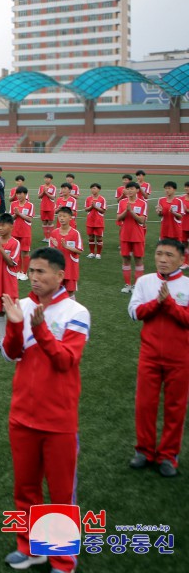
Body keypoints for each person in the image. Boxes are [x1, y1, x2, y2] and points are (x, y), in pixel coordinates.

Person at [0, 247, 89, 573]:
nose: (34, 278)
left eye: (41, 272)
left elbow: (66, 361)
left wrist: (38, 329)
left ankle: (63, 561)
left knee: (61, 494)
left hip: (59, 419)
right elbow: (11, 354)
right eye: (31, 272)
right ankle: (32, 548)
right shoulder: (22, 306)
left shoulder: (76, 312)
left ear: (60, 275)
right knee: (25, 488)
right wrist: (14, 326)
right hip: (22, 414)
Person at [128, 239, 189, 477]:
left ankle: (168, 455)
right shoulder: (145, 281)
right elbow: (134, 312)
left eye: (169, 255)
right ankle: (144, 451)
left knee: (175, 407)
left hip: (180, 357)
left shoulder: (186, 284)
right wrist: (157, 303)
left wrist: (170, 304)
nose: (163, 259)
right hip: (150, 355)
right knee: (145, 405)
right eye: (159, 254)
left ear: (182, 260)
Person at [0, 214, 20, 351]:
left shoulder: (15, 243)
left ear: (11, 227)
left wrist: (0, 247)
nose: (0, 228)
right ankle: (2, 340)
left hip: (9, 281)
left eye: (3, 225)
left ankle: (13, 339)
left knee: (10, 310)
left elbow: (12, 262)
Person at [118, 182, 148, 293]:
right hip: (125, 235)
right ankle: (127, 285)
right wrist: (126, 211)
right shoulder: (122, 202)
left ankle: (137, 286)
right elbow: (118, 218)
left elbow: (142, 220)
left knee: (138, 259)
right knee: (125, 259)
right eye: (128, 188)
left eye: (132, 188)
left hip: (137, 235)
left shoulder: (142, 203)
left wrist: (131, 211)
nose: (129, 190)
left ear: (137, 190)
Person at [48, 207, 83, 298]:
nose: (61, 218)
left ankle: (71, 310)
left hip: (71, 267)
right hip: (58, 268)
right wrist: (55, 246)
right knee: (56, 291)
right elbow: (50, 253)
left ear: (70, 218)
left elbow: (79, 250)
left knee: (70, 292)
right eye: (59, 216)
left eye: (64, 216)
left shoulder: (75, 233)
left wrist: (67, 247)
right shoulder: (54, 233)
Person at [10, 186, 35, 280]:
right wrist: (15, 215)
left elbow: (30, 218)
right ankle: (18, 271)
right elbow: (11, 218)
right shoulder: (13, 204)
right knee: (17, 252)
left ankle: (24, 273)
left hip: (25, 232)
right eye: (17, 194)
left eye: (21, 194)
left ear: (25, 194)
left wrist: (19, 214)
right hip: (15, 231)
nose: (19, 196)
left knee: (25, 253)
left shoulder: (30, 205)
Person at [84, 183, 106, 260]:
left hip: (99, 222)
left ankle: (98, 254)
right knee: (91, 237)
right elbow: (86, 209)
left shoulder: (102, 199)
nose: (93, 190)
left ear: (99, 189)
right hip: (90, 221)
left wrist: (95, 207)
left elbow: (103, 211)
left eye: (95, 188)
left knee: (99, 238)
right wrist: (91, 207)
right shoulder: (88, 199)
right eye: (92, 188)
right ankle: (92, 252)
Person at [37, 174, 57, 242]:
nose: (46, 179)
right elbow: (39, 196)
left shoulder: (53, 187)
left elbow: (53, 197)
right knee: (44, 222)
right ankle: (46, 237)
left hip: (50, 207)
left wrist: (46, 193)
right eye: (45, 178)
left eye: (48, 178)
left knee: (50, 222)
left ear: (51, 179)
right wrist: (43, 192)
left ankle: (50, 237)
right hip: (43, 207)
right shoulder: (41, 187)